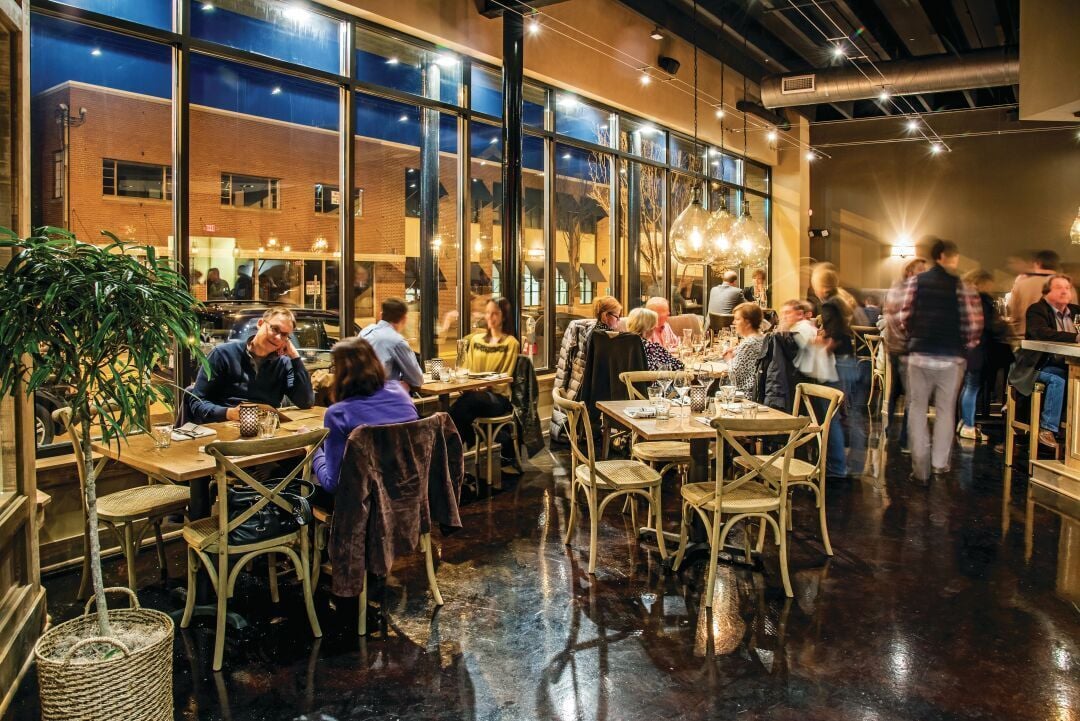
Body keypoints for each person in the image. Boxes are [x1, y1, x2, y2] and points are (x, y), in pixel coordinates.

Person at [897, 239, 983, 485]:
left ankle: (920, 464)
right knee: (946, 411)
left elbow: (903, 316)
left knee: (916, 408)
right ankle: (939, 463)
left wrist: (913, 336)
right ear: (945, 256)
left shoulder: (916, 282)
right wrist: (966, 344)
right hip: (950, 357)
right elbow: (973, 322)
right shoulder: (961, 286)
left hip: (919, 354)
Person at [310, 338, 419, 507]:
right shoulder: (401, 393)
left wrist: (313, 447)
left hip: (362, 504)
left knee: (301, 485)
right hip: (407, 493)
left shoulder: (337, 413)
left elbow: (333, 484)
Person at [186, 307, 314, 423]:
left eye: (285, 335)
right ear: (260, 324)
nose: (278, 337)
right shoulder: (223, 354)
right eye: (275, 329)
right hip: (224, 429)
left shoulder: (283, 363)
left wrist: (294, 356)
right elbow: (196, 402)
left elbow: (306, 402)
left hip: (265, 433)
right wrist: (229, 413)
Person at [811, 264, 867, 478]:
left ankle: (836, 466)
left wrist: (817, 348)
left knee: (830, 415)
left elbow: (833, 337)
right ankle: (857, 465)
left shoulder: (829, 305)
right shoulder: (842, 300)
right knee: (851, 415)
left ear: (820, 286)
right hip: (850, 362)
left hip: (836, 364)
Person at [450, 297, 520, 452]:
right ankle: (452, 461)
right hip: (474, 397)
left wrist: (482, 388)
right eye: (488, 313)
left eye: (495, 313)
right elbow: (466, 369)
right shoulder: (476, 340)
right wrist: (467, 385)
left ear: (504, 316)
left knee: (460, 409)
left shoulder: (511, 343)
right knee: (464, 410)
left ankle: (451, 461)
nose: (490, 317)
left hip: (498, 399)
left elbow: (503, 379)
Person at [1025, 274, 1080, 451]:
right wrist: (1076, 337)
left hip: (1069, 364)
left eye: (1067, 287)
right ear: (1046, 292)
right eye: (1058, 287)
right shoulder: (1037, 310)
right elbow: (1041, 333)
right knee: (1060, 378)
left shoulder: (1076, 311)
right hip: (1037, 366)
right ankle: (1047, 428)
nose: (1064, 291)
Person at [882, 257, 929, 450]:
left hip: (894, 347)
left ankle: (890, 432)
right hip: (907, 348)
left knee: (895, 392)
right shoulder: (911, 292)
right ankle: (906, 440)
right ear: (910, 272)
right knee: (913, 394)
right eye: (921, 271)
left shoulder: (894, 289)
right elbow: (907, 320)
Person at [958, 269, 1007, 441]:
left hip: (963, 349)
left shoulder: (962, 298)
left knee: (969, 386)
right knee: (972, 387)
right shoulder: (981, 300)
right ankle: (969, 425)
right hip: (977, 348)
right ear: (981, 282)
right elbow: (988, 326)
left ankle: (965, 420)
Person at [1008, 250, 1077, 339]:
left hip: (1029, 342)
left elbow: (1013, 314)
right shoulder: (1069, 287)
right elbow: (1075, 317)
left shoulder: (1022, 284)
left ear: (1038, 263)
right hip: (1067, 343)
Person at [359, 297, 424, 390]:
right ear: (404, 319)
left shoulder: (365, 331)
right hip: (383, 396)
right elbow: (417, 380)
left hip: (359, 393)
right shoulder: (397, 341)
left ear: (381, 315)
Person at [724, 302, 766, 397]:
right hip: (758, 392)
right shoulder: (762, 338)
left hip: (745, 395)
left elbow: (734, 376)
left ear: (747, 322)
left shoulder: (748, 344)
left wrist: (729, 359)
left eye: (737, 319)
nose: (734, 323)